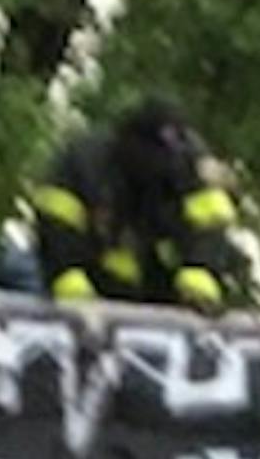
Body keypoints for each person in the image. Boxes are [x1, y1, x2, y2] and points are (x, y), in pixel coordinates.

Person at [31, 99, 246, 311]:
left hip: (146, 279)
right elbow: (56, 232)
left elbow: (210, 225)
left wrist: (200, 277)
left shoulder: (190, 166)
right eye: (155, 155)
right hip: (74, 270)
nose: (162, 166)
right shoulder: (83, 165)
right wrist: (75, 293)